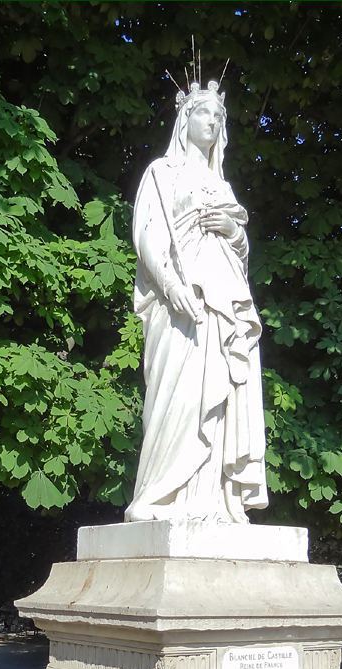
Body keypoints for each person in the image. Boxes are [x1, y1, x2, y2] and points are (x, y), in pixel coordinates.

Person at [125, 77, 268, 524]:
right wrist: (173, 288)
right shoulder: (161, 174)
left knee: (222, 398)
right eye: (204, 112)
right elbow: (148, 236)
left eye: (219, 115)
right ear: (185, 118)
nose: (213, 120)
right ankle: (158, 496)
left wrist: (233, 232)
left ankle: (214, 502)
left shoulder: (222, 187)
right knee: (177, 397)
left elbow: (240, 253)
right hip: (179, 303)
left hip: (224, 306)